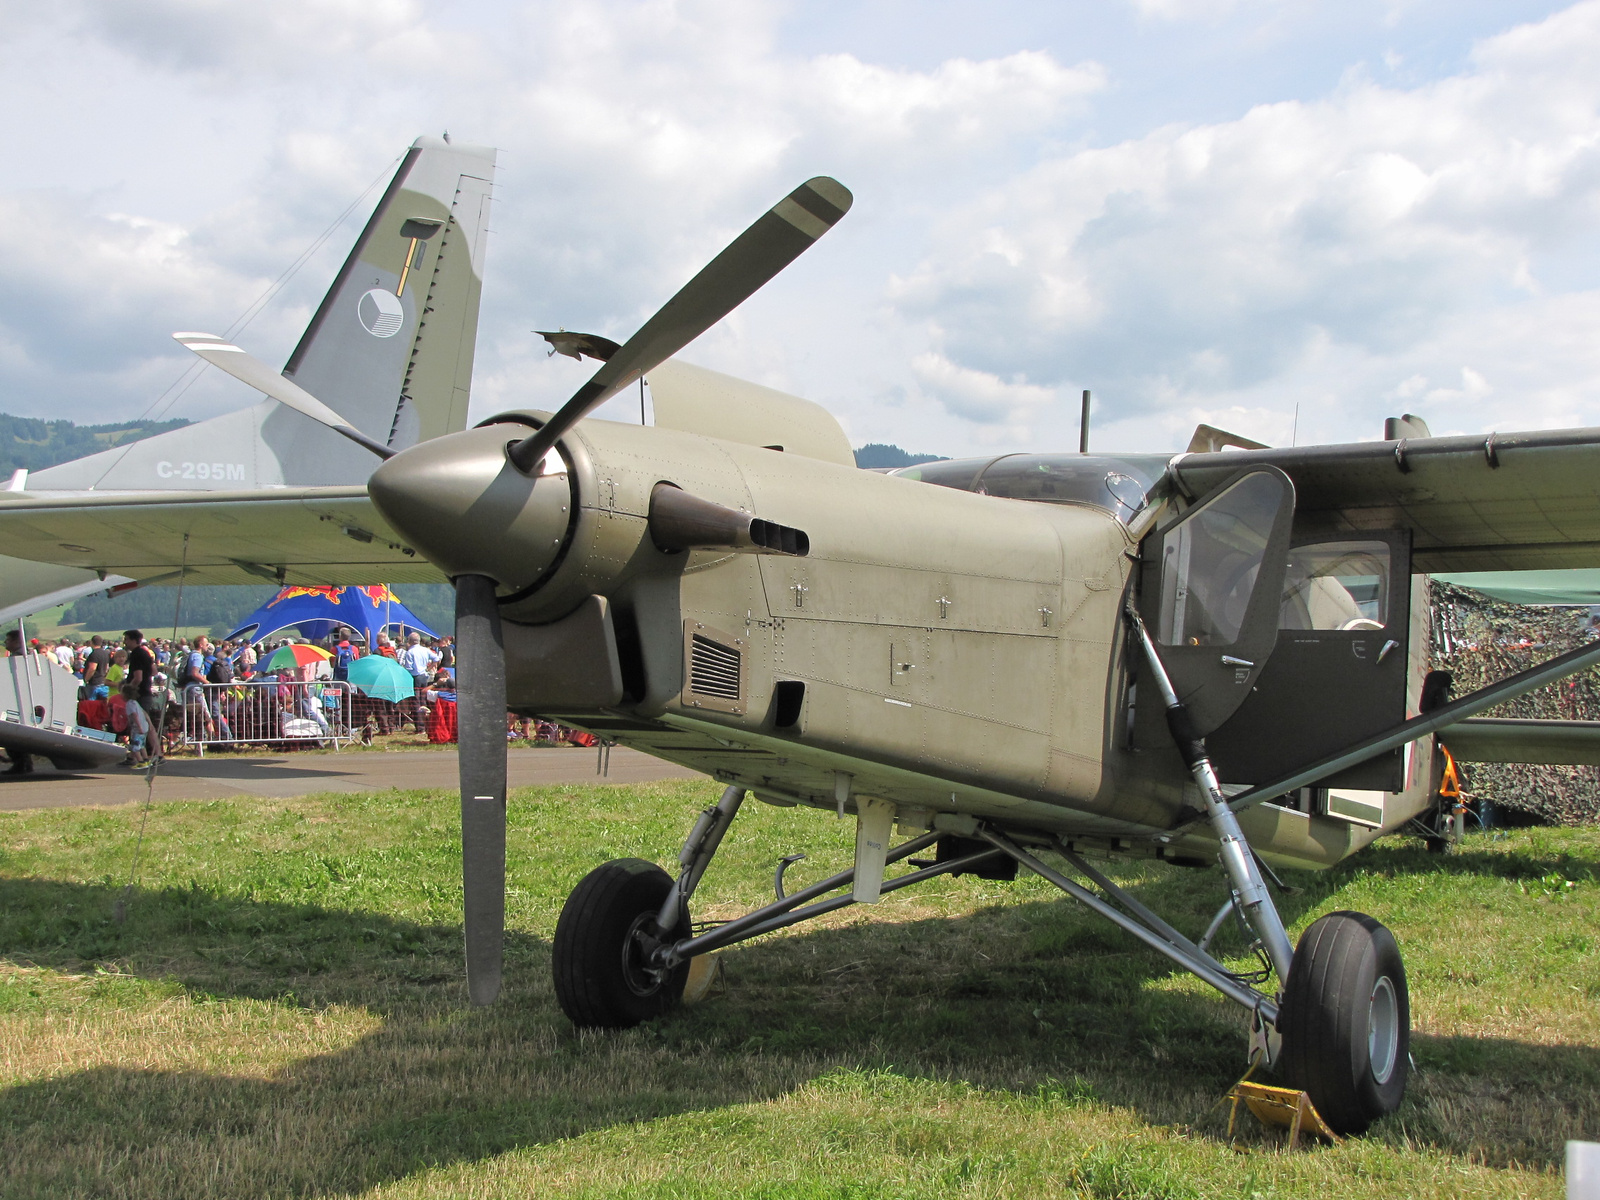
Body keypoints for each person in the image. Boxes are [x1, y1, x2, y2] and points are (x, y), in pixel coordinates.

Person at [3, 630, 34, 774]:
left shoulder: (19, 658)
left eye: (8, 640)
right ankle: (24, 763)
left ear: (16, 641)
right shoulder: (26, 654)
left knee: (11, 733)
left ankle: (21, 763)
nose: (5, 643)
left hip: (17, 699)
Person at [121, 683, 152, 767]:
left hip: (138, 728)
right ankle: (146, 759)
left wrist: (138, 727)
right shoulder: (135, 703)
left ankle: (140, 762)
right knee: (142, 745)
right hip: (144, 726)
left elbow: (134, 716)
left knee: (135, 746)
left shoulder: (129, 705)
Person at [83, 635, 111, 701]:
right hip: (102, 680)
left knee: (91, 702)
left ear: (92, 642)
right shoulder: (105, 653)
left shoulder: (94, 654)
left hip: (94, 682)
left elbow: (92, 668)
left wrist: (86, 679)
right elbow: (107, 668)